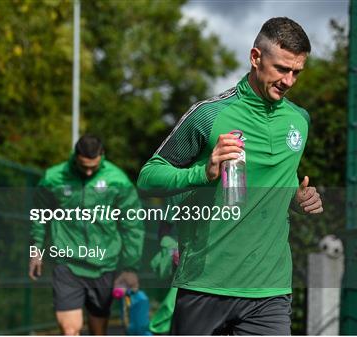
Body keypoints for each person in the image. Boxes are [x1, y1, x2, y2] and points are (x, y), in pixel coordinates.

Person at [138, 17, 323, 335]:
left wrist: (297, 197)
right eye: (281, 69)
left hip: (269, 290)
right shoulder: (209, 115)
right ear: (255, 58)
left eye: (296, 72)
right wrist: (203, 173)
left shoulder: (299, 120)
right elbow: (148, 177)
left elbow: (277, 180)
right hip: (205, 284)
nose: (289, 81)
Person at [29, 135, 145, 335]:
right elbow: (39, 216)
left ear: (102, 156)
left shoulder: (118, 180)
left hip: (104, 264)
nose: (89, 171)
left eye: (94, 166)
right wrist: (35, 250)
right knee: (69, 330)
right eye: (84, 166)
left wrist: (130, 267)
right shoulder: (53, 178)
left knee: (98, 331)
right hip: (67, 263)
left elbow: (132, 225)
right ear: (75, 157)